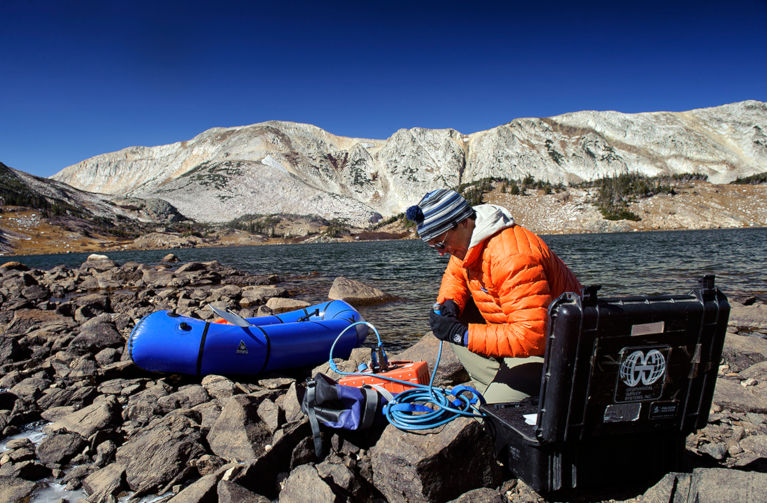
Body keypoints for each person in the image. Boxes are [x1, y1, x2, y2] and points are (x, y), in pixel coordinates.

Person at [406, 189, 582, 403]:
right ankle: (501, 387)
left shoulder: (511, 257)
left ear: (462, 222)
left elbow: (534, 336)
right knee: (451, 318)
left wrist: (462, 335)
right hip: (523, 338)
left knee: (490, 414)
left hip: (556, 351)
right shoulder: (469, 241)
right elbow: (455, 276)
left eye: (441, 243)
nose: (441, 252)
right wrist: (449, 303)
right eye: (433, 246)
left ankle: (508, 395)